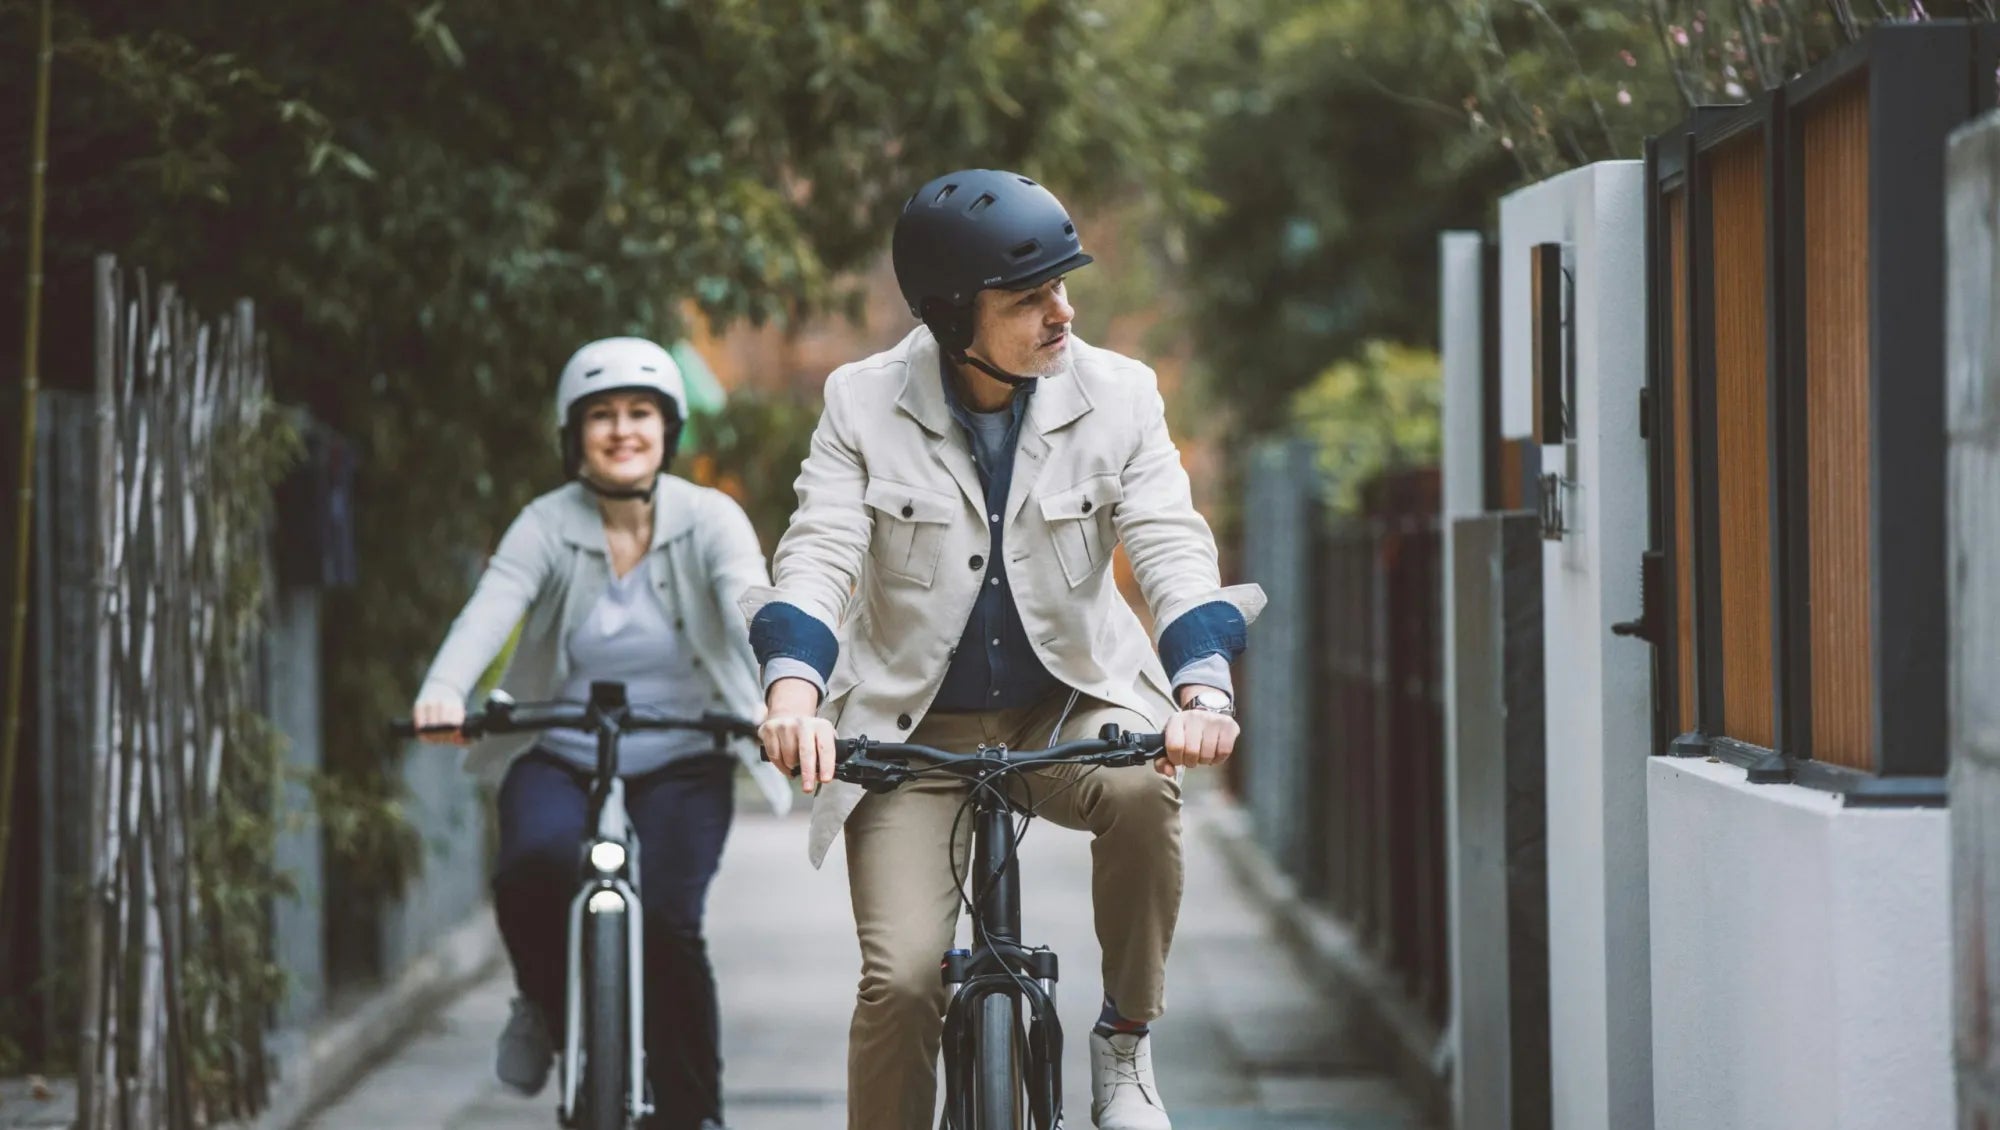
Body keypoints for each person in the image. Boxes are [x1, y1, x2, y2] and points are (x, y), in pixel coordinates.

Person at [748, 170, 1265, 1130]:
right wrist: (791, 694)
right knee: (900, 984)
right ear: (953, 316)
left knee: (1146, 784)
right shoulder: (860, 404)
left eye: (1064, 287)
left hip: (1070, 706)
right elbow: (817, 552)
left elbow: (1170, 544)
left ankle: (1125, 1038)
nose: (1062, 313)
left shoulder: (1121, 395)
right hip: (911, 737)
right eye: (1029, 299)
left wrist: (1202, 691)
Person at [410, 337, 789, 1130]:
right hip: (562, 747)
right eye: (603, 416)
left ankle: (694, 1115)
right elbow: (492, 608)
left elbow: (748, 599)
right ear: (573, 433)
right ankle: (546, 1007)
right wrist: (447, 689)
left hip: (686, 753)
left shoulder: (710, 517)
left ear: (667, 429)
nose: (623, 430)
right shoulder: (545, 524)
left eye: (641, 414)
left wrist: (779, 693)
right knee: (529, 869)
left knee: (671, 926)